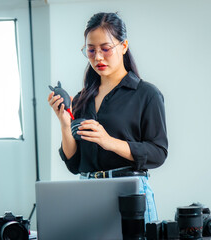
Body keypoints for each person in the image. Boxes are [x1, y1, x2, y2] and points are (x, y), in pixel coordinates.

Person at [48, 12, 168, 223]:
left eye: (106, 49)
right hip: (87, 194)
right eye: (91, 50)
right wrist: (65, 124)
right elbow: (74, 165)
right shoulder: (82, 98)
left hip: (130, 195)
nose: (98, 57)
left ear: (123, 46)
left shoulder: (147, 94)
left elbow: (158, 153)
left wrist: (109, 142)